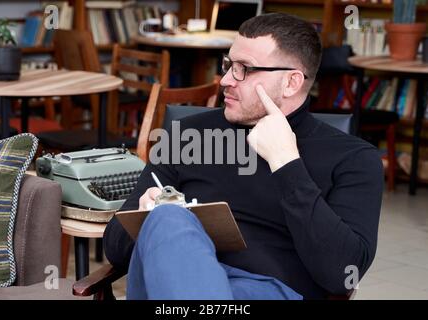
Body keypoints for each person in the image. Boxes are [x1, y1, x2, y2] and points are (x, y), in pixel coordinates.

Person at [103, 13, 383, 300]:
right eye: (228, 65)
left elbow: (342, 274)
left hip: (265, 291)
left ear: (291, 82)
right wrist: (146, 217)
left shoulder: (354, 158)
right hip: (171, 282)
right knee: (169, 217)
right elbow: (114, 249)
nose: (225, 80)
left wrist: (287, 163)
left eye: (244, 69)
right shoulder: (186, 136)